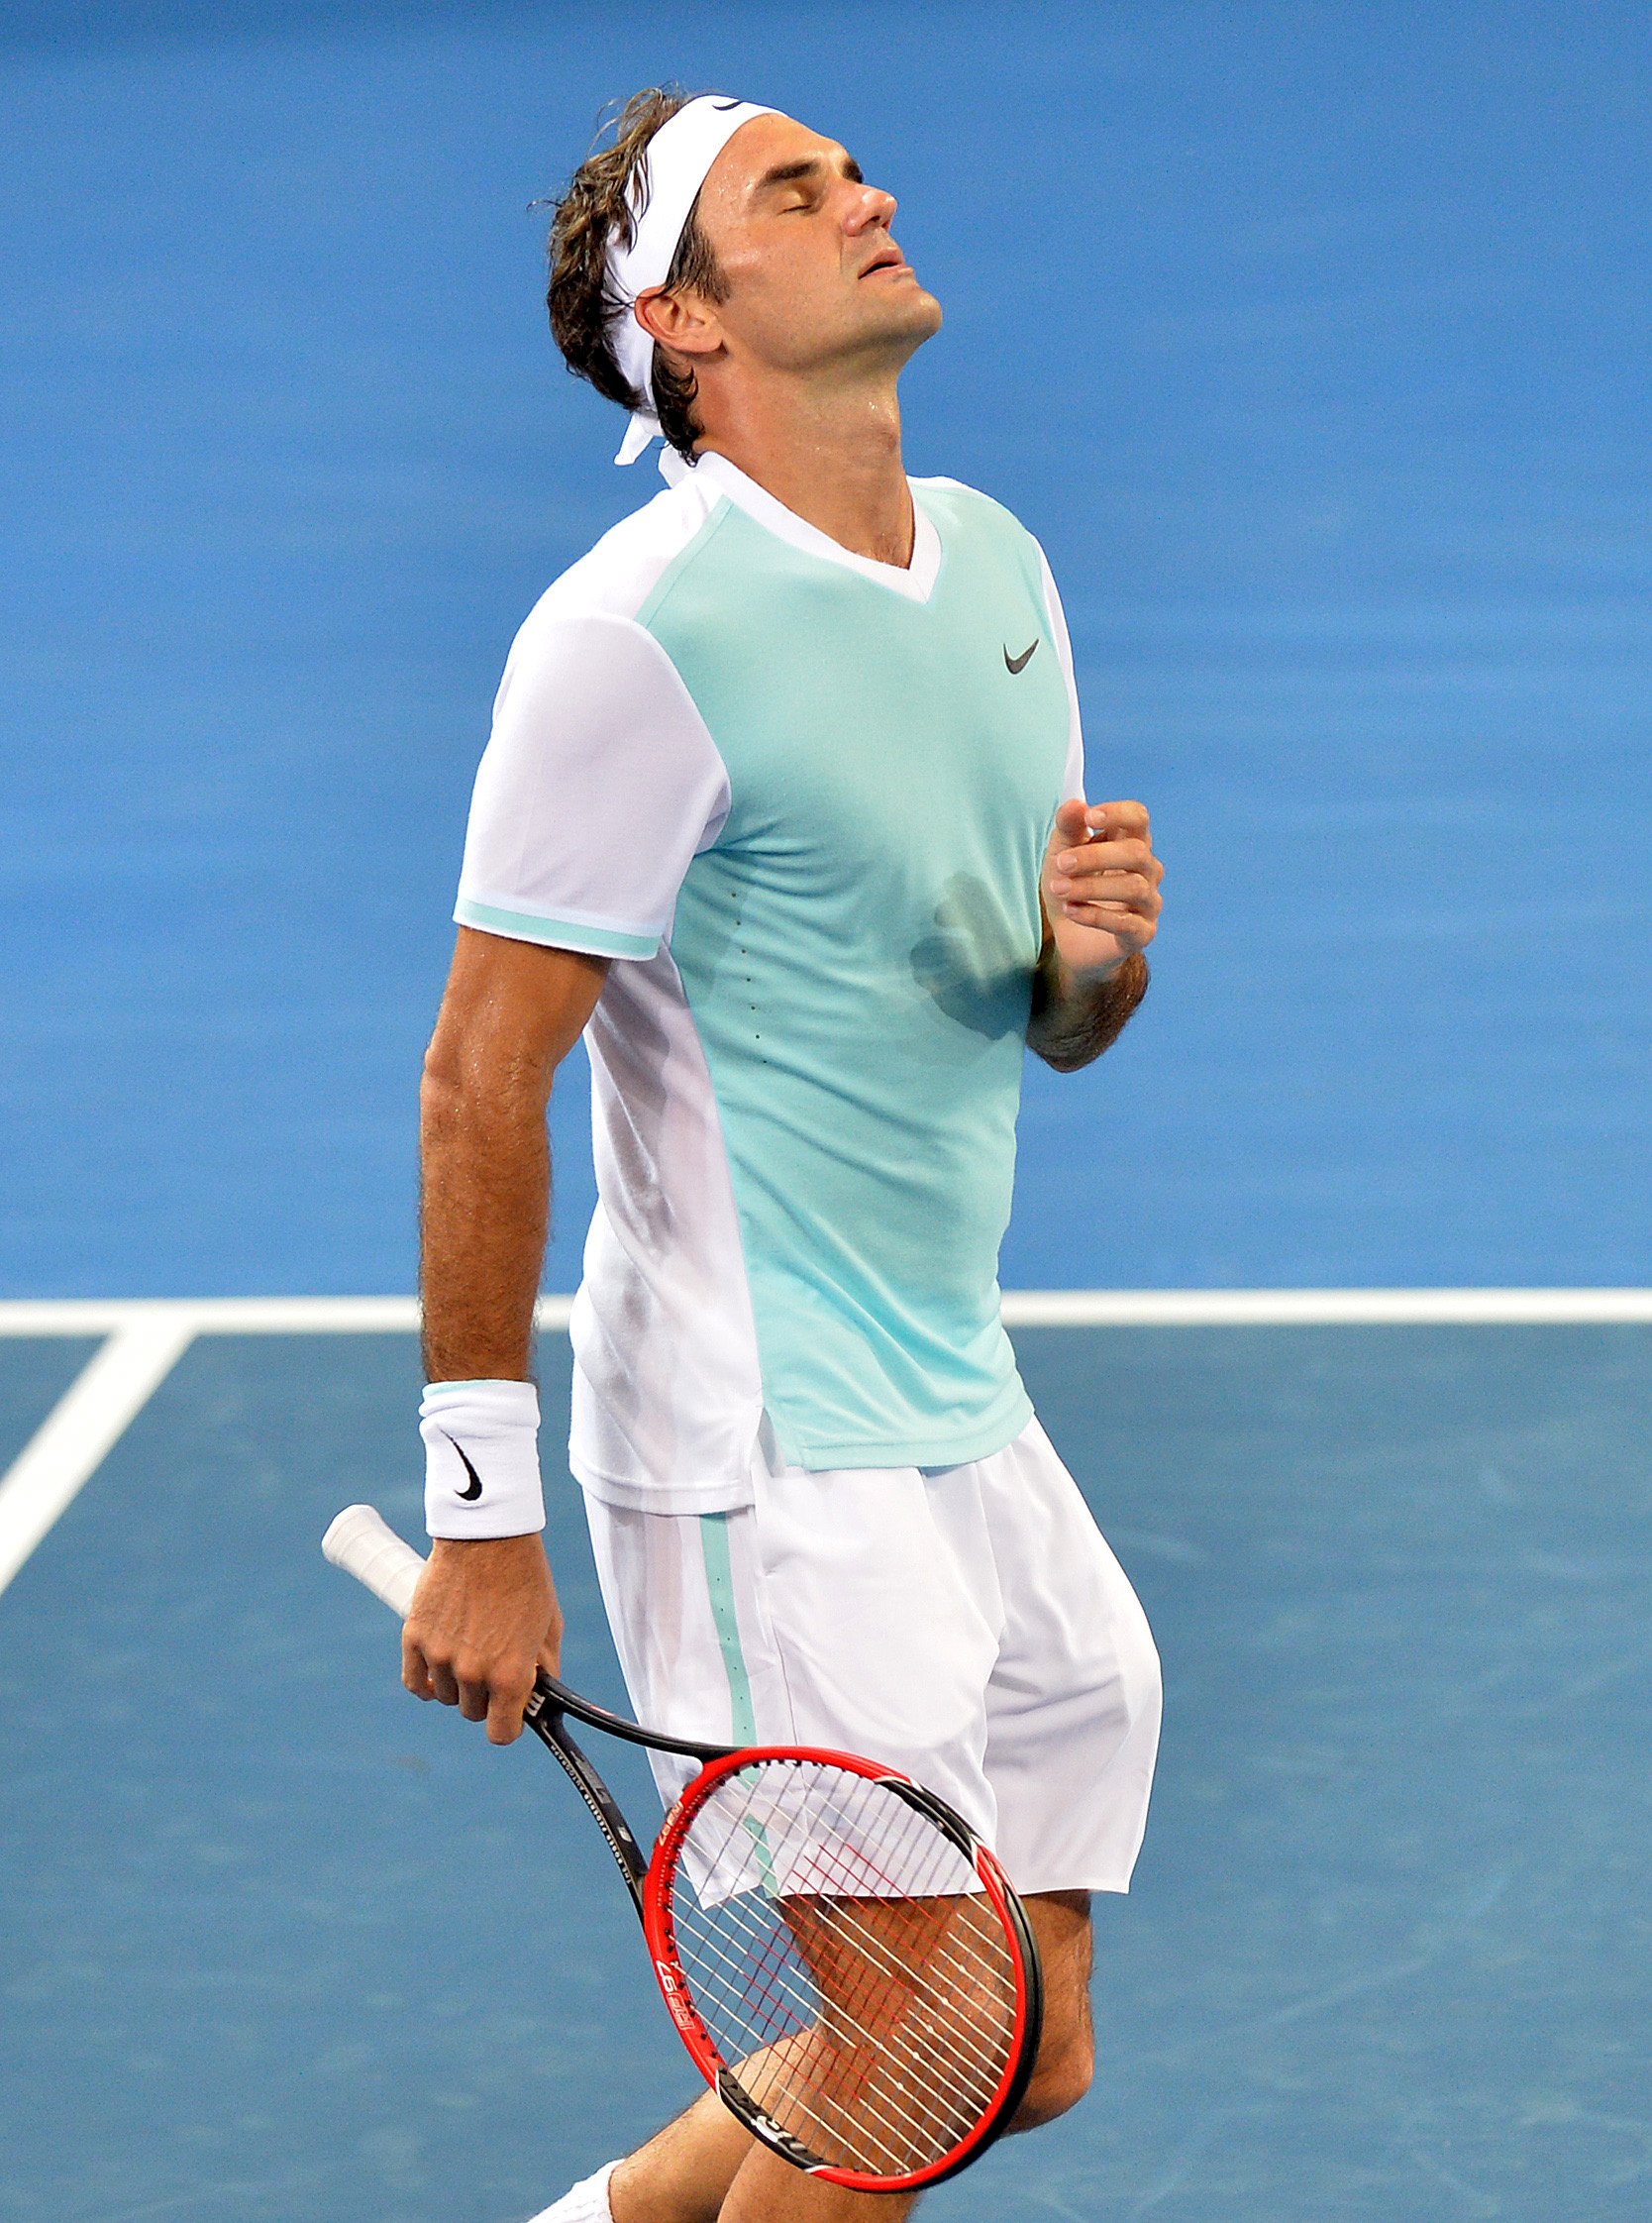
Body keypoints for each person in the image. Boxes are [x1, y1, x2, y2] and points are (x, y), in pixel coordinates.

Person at [403, 87, 1166, 2223]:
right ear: (689, 324)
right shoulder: (635, 638)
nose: (871, 200)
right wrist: (486, 1511)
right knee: (927, 2058)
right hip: (759, 1436)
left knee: (1028, 2050)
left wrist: (1091, 967)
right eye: (797, 195)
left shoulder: (1000, 566)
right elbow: (484, 1075)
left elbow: (1047, 1020)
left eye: (859, 174)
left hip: (958, 1400)